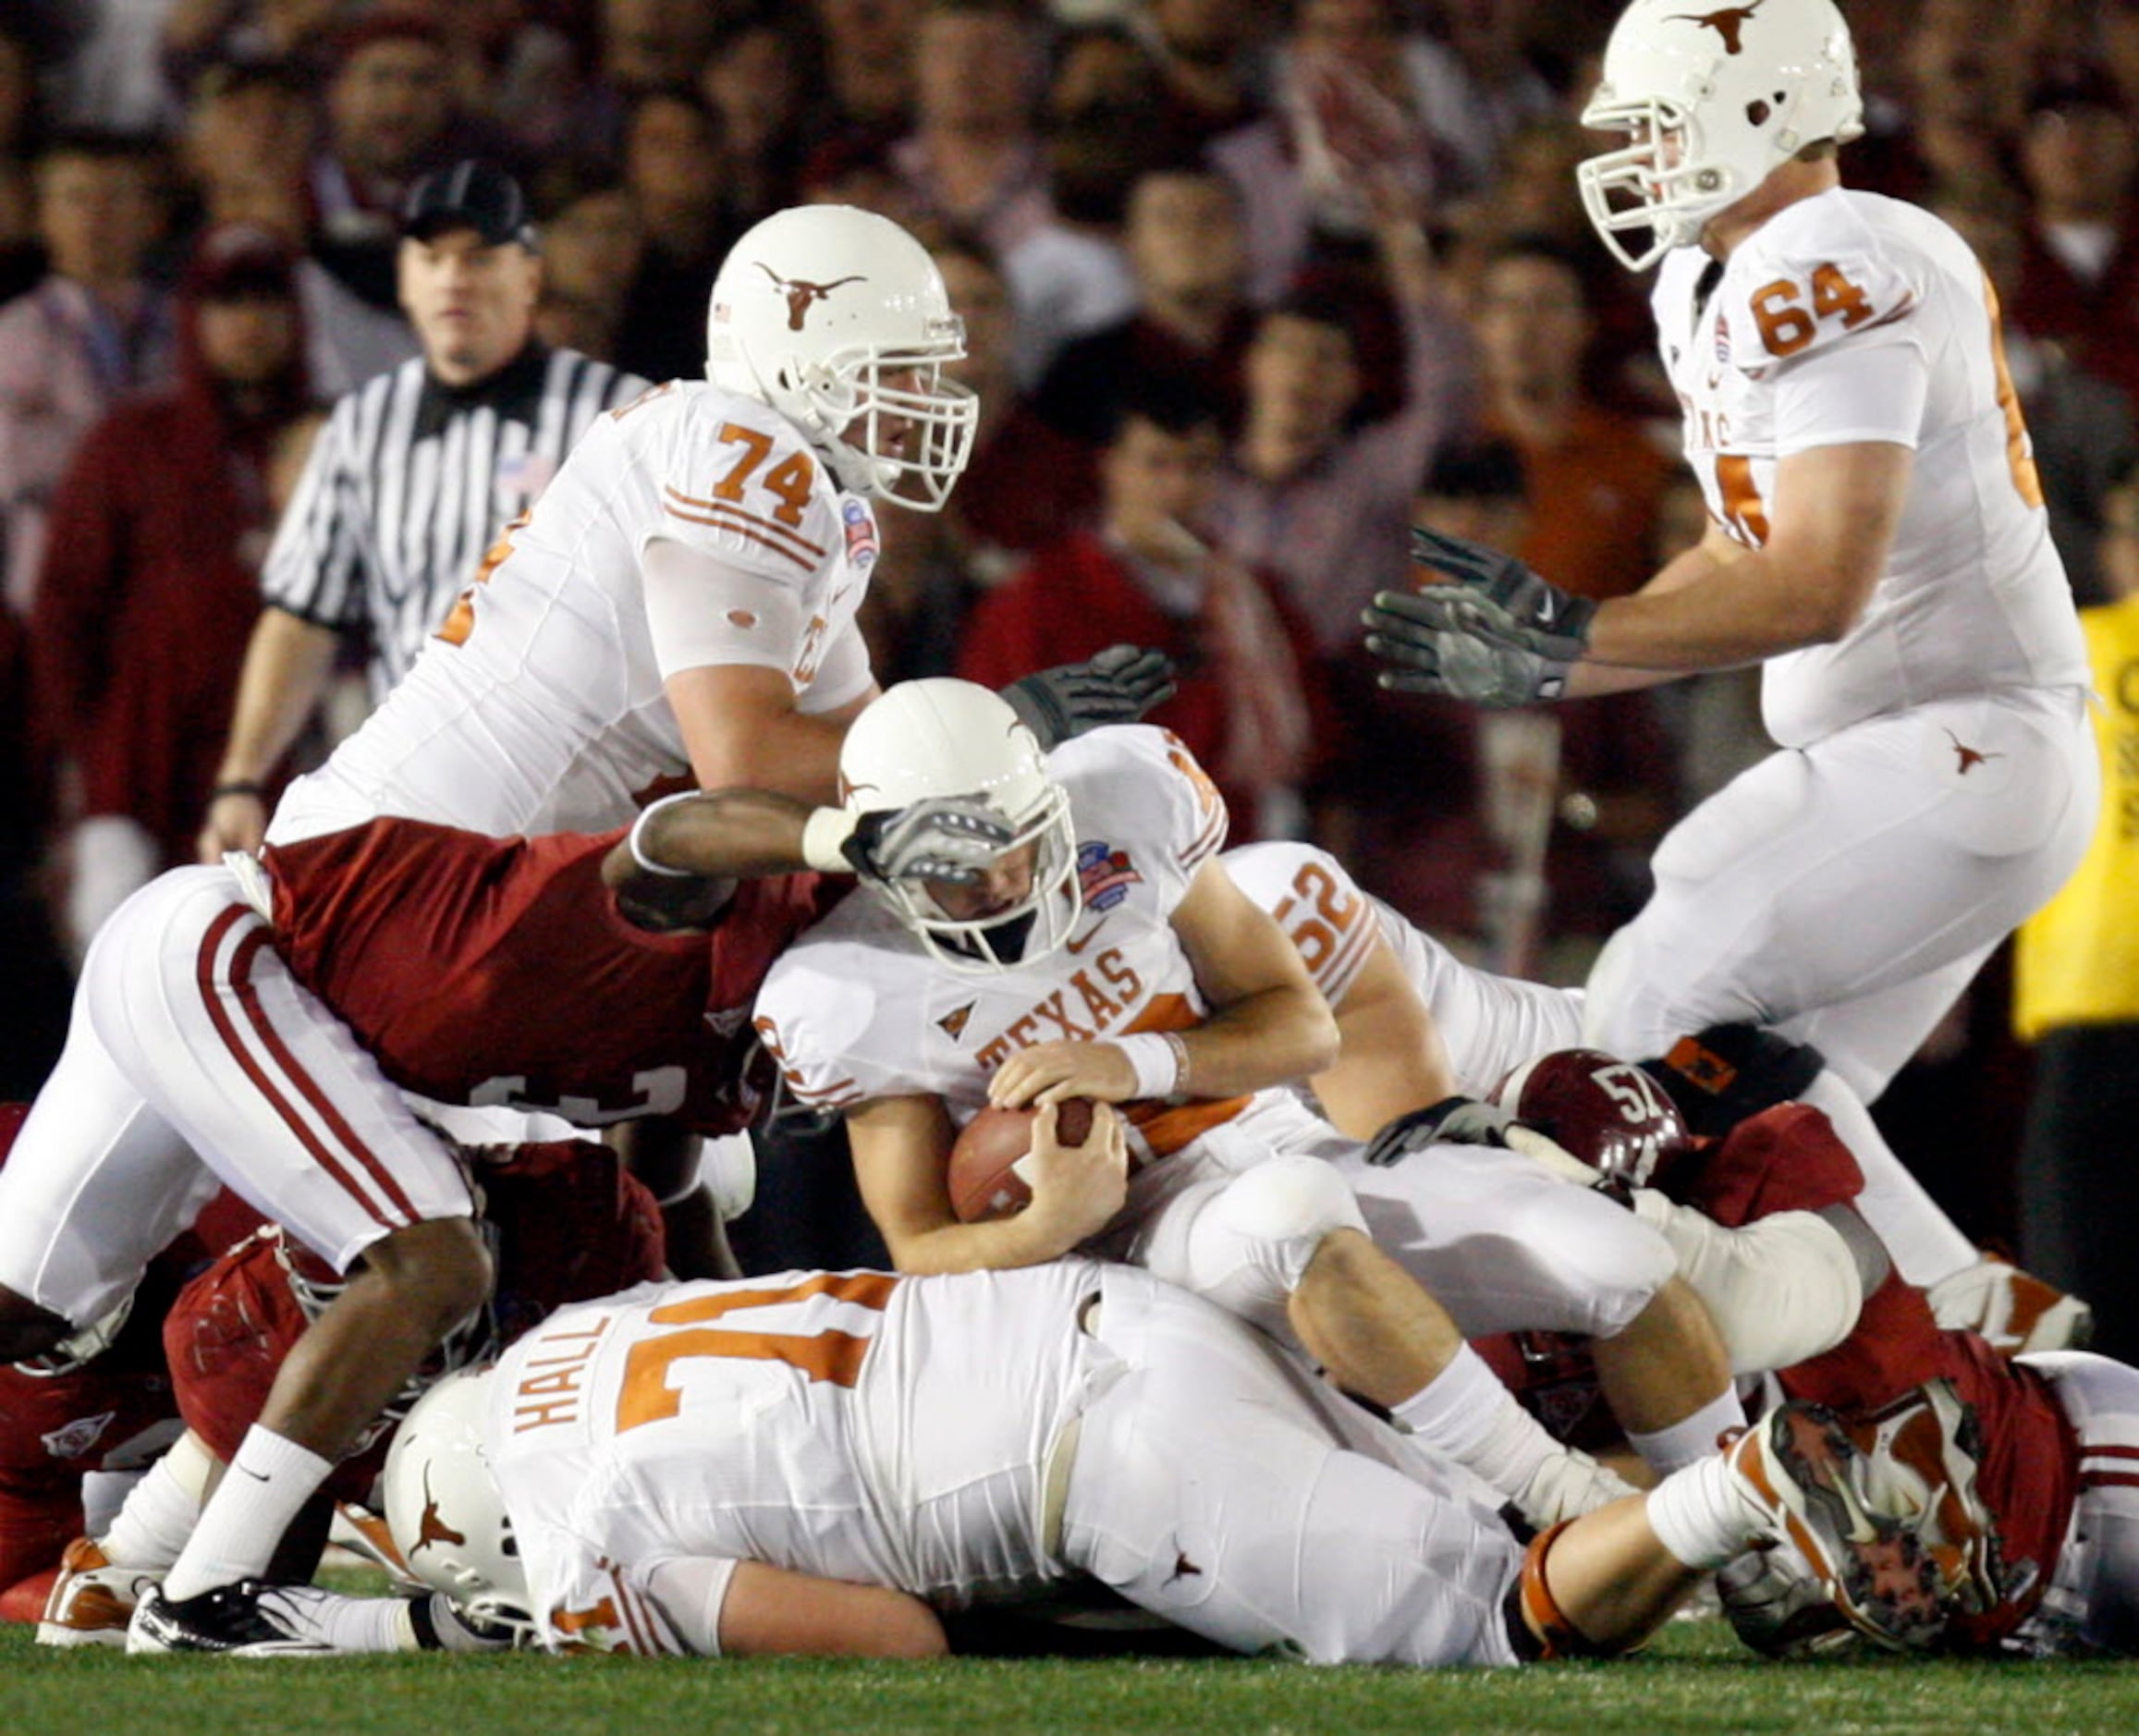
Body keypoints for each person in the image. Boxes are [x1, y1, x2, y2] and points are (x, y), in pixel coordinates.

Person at [1362, 0, 2098, 1339]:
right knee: (1750, 1117)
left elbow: (1817, 583)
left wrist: (1573, 636)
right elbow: (1733, 541)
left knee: (1655, 988)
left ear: (1757, 109)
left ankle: (1974, 1323)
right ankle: (2002, 1399)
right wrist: (1555, 661)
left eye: (1656, 124)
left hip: (1962, 740)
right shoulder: (1715, 277)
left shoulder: (1834, 254)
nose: (1637, 156)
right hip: (1923, 761)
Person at [754, 679, 1660, 1530]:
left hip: (1279, 1139)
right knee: (1295, 1229)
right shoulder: (852, 992)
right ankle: (1556, 1495)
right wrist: (1047, 1226)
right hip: (1121, 1252)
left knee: (1612, 1255)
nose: (998, 884)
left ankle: (1722, 1509)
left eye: (1015, 845)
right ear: (883, 870)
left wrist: (1132, 1059)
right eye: (956, 871)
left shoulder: (1139, 814)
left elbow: (1312, 1035)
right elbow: (917, 1249)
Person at [360, 1260, 1950, 1665]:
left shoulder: (574, 1542)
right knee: (1463, 1526)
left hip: (1105, 1459)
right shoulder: (582, 1325)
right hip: (1108, 1314)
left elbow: (896, 1634)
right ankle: (1767, 1531)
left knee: (1499, 1623)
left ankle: (1745, 1479)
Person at [197, 159, 645, 863]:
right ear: (405, 280)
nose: (454, 278)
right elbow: (301, 615)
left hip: (580, 801)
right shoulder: (363, 423)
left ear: (530, 275)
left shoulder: (621, 416)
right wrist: (241, 777)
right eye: (431, 258)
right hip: (411, 796)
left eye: (479, 257)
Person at [30, 223, 320, 964]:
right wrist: (81, 752)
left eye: (267, 301)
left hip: (293, 761)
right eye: (227, 303)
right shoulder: (132, 442)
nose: (250, 323)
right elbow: (66, 607)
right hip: (136, 757)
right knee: (115, 949)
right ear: (193, 318)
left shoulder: (335, 436)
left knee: (278, 961)